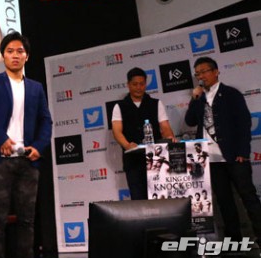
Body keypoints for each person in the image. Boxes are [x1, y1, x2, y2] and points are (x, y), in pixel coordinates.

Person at [0, 31, 52, 258]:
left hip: (28, 160)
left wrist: (39, 146)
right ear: (3, 55)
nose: (15, 55)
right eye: (10, 51)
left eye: (20, 51)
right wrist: (1, 139)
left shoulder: (36, 87)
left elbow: (46, 120)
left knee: (27, 220)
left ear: (27, 56)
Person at [185, 56, 261, 241]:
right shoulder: (199, 98)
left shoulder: (231, 94)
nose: (201, 76)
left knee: (248, 196)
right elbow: (190, 121)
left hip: (234, 155)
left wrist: (243, 152)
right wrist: (194, 99)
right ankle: (234, 240)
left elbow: (244, 123)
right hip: (211, 158)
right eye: (198, 74)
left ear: (216, 71)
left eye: (204, 72)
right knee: (224, 201)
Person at [112, 67, 175, 200]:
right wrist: (127, 145)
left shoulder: (156, 103)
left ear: (146, 84)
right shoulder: (119, 106)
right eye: (135, 84)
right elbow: (117, 131)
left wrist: (170, 138)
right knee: (138, 200)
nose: (138, 87)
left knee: (160, 199)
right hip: (133, 161)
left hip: (157, 159)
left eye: (142, 84)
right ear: (128, 85)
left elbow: (165, 127)